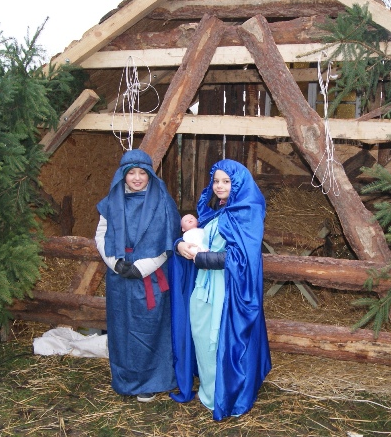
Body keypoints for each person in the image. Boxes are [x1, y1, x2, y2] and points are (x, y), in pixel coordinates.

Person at [169, 159, 271, 420]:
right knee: (203, 336)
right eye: (216, 181)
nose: (219, 186)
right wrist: (180, 244)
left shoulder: (248, 213)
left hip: (228, 290)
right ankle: (209, 390)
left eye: (226, 181)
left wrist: (201, 258)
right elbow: (199, 236)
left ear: (238, 183)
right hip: (204, 285)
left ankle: (226, 396)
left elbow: (241, 258)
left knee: (220, 340)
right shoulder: (218, 211)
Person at [95, 149, 180, 403]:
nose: (136, 178)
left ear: (150, 174)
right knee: (122, 328)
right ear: (123, 175)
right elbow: (101, 234)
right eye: (131, 172)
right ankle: (125, 380)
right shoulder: (112, 202)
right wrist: (115, 264)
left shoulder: (163, 202)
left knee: (149, 328)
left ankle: (150, 382)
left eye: (142, 173)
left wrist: (142, 268)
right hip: (119, 277)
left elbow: (169, 242)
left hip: (150, 277)